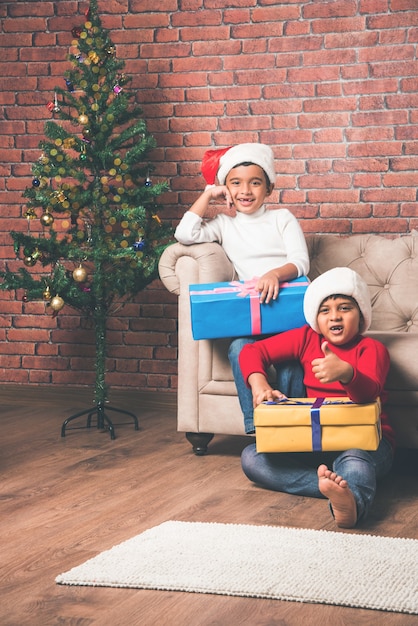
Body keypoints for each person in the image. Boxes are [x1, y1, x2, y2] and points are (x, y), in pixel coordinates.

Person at [239, 267, 395, 528]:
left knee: (354, 462)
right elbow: (252, 351)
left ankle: (352, 502)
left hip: (368, 443)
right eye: (326, 310)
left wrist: (347, 373)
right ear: (316, 318)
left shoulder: (373, 349)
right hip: (316, 442)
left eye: (345, 308)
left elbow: (369, 392)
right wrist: (259, 383)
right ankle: (332, 488)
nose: (335, 316)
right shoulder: (306, 338)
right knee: (252, 457)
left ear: (362, 315)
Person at [175, 143, 310, 434]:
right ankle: (258, 426)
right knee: (239, 347)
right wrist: (209, 193)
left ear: (269, 189)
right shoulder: (224, 225)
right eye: (236, 183)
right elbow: (185, 234)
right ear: (226, 188)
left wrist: (275, 274)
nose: (245, 190)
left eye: (255, 183)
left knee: (291, 363)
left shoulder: (281, 218)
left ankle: (293, 428)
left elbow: (301, 262)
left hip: (286, 317)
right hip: (251, 318)